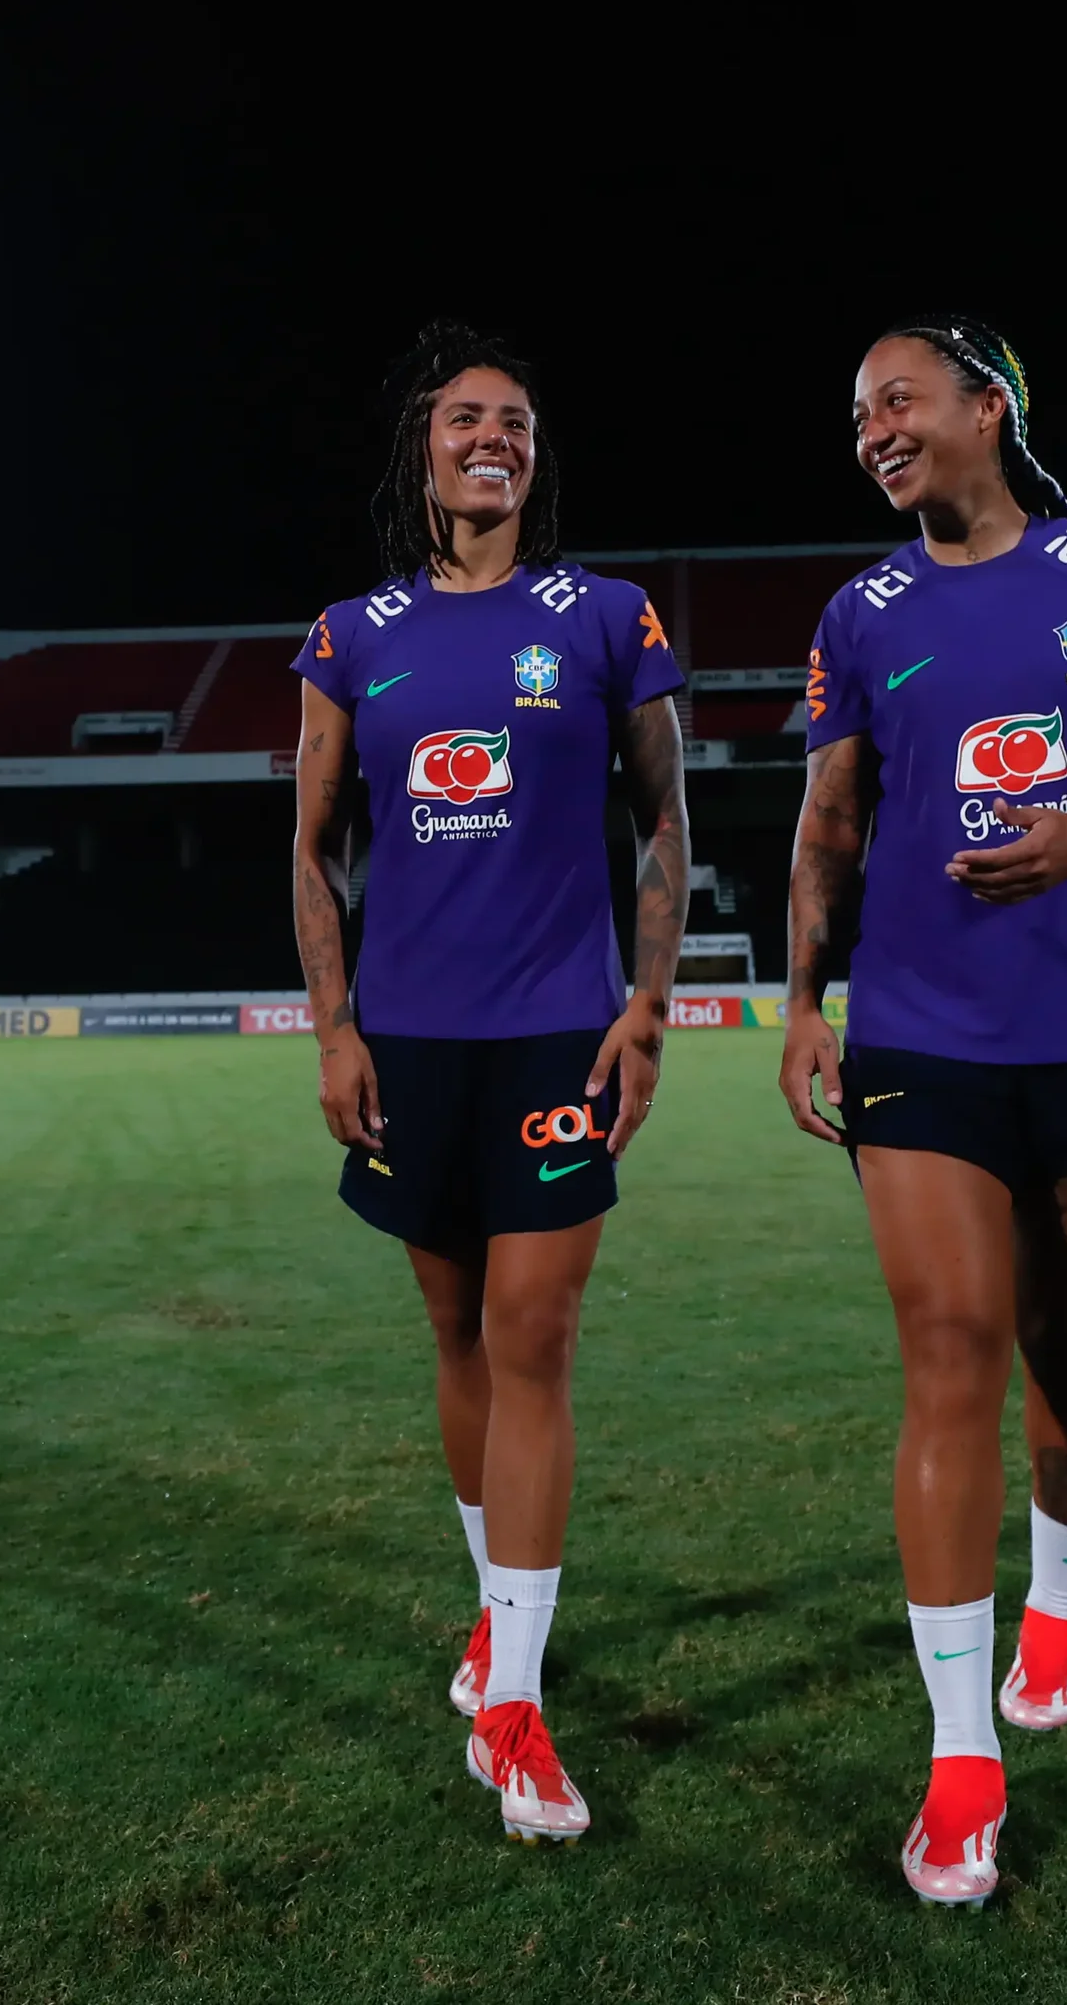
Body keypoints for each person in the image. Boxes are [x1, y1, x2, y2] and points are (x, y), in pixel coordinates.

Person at [779, 315, 1067, 1906]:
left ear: (987, 406)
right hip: (921, 1037)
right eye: (859, 411)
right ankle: (964, 1764)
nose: (875, 428)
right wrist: (807, 1006)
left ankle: (1059, 1609)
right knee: (950, 1351)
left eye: (899, 398)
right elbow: (827, 827)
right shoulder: (860, 611)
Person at [290, 321, 689, 1844]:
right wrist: (334, 1026)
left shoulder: (607, 619)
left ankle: (514, 1709)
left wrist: (648, 1006)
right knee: (456, 1329)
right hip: (404, 1043)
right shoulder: (350, 634)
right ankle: (493, 1617)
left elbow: (663, 826)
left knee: (536, 1331)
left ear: (534, 455)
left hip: (553, 1034)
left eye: (514, 420)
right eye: (464, 418)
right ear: (426, 449)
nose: (490, 437)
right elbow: (314, 847)